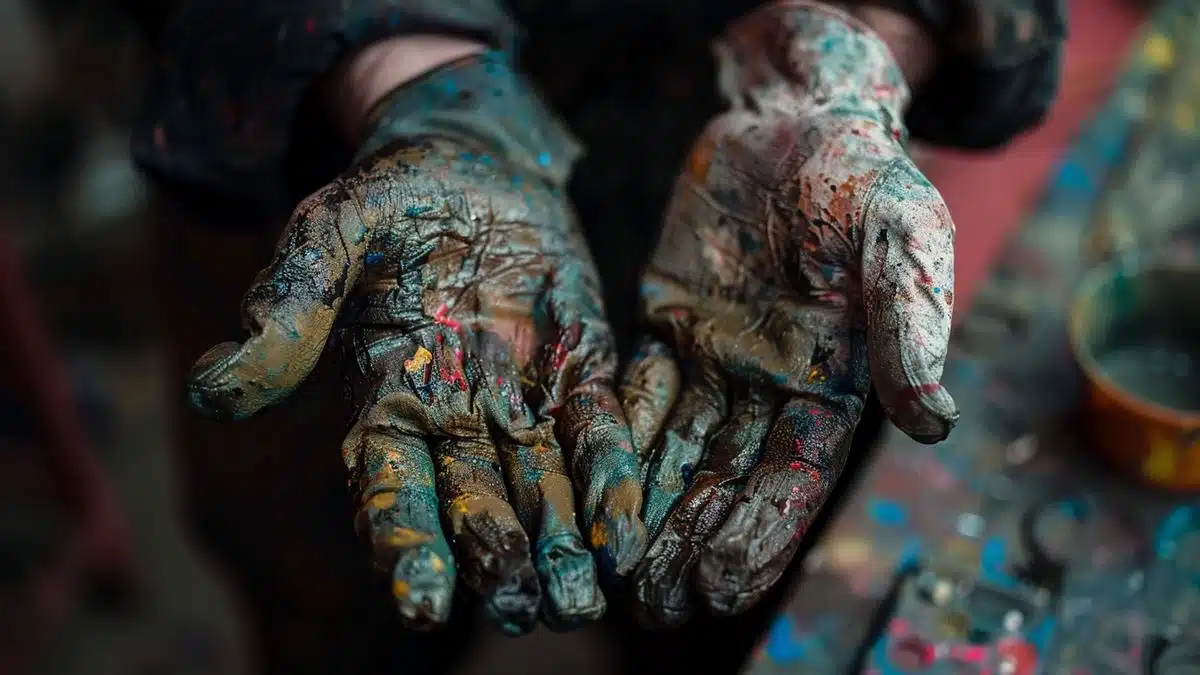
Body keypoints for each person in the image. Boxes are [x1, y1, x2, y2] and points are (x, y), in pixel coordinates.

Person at [131, 0, 1066, 671]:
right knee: (347, 605)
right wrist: (408, 75)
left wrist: (846, 56)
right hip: (366, 185)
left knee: (714, 575)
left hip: (745, 219)